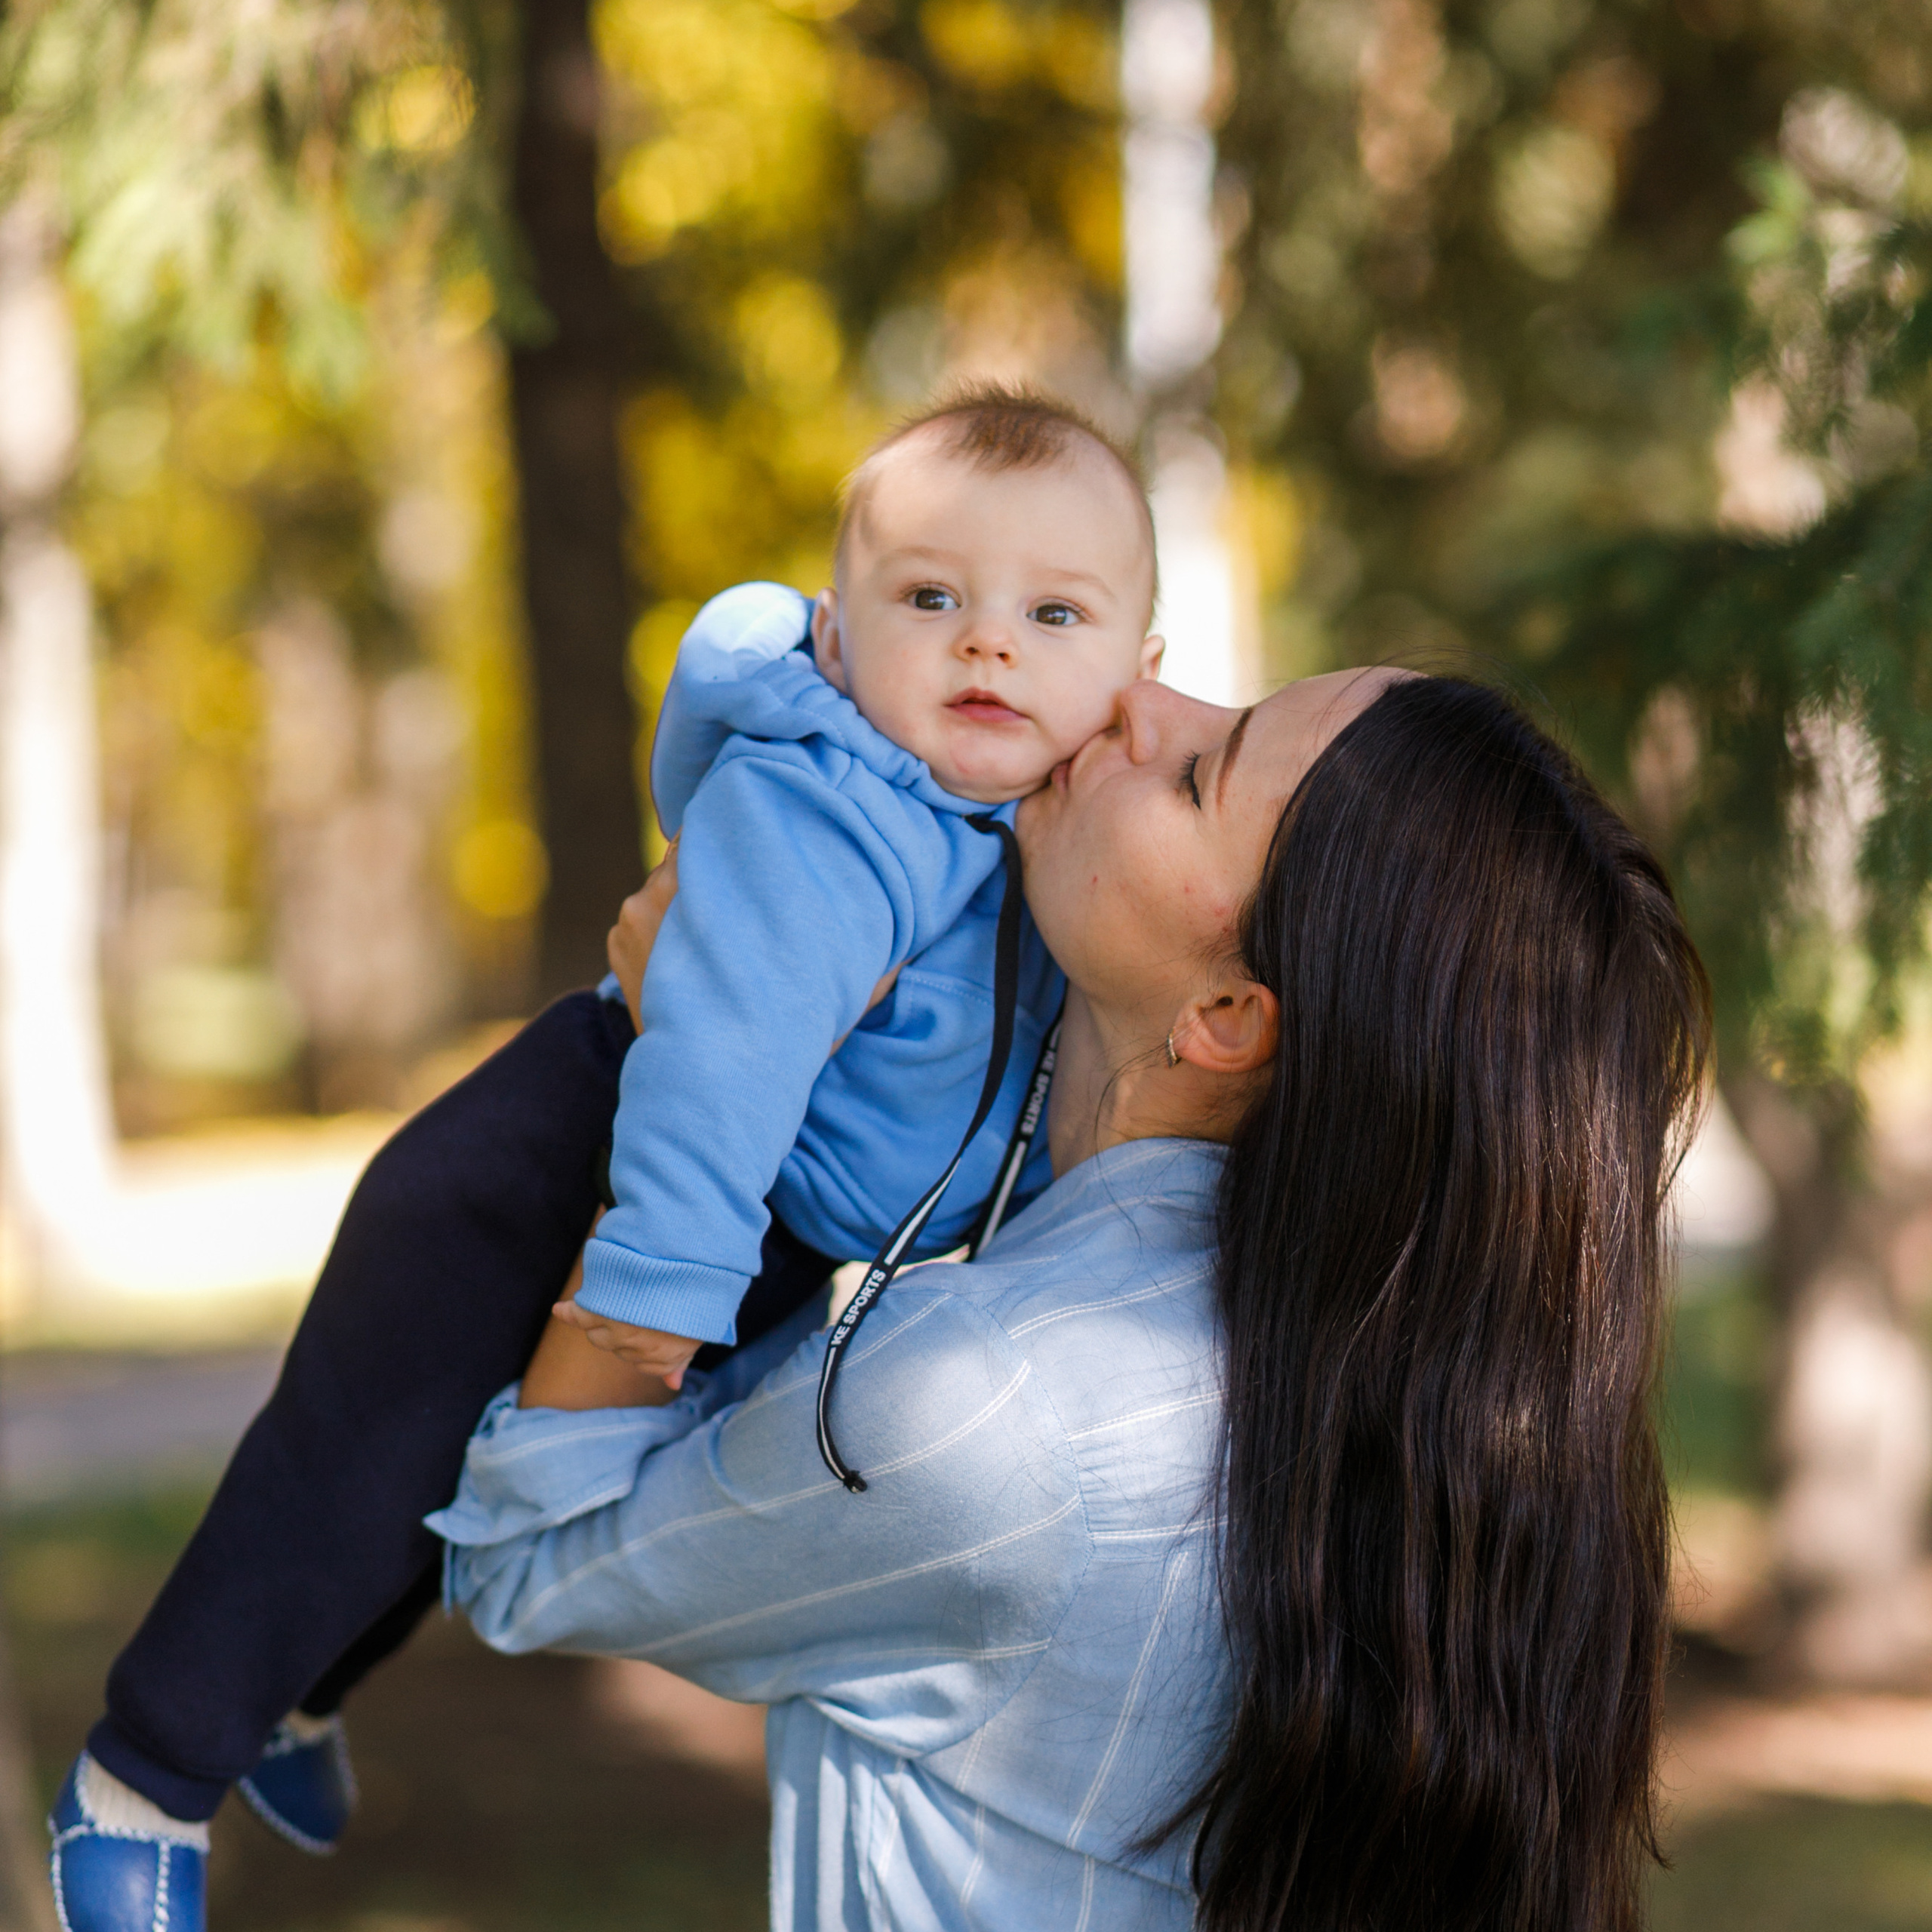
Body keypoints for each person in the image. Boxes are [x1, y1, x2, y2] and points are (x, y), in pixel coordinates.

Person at [48, 384, 1163, 1932]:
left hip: (746, 1224)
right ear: (836, 642)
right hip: (583, 1163)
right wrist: (656, 1286)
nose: (987, 644)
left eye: (1053, 612)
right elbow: (718, 1065)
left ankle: (299, 1697)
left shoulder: (1036, 842)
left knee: (448, 1480)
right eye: (929, 599)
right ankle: (143, 1776)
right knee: (362, 1447)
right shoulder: (834, 812)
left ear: (1134, 674)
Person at [430, 668, 1712, 1931]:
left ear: (1224, 1016)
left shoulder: (996, 1400)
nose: (1135, 706)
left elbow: (530, 1558)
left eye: (1201, 772)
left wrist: (703, 1094)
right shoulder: (1351, 1400)